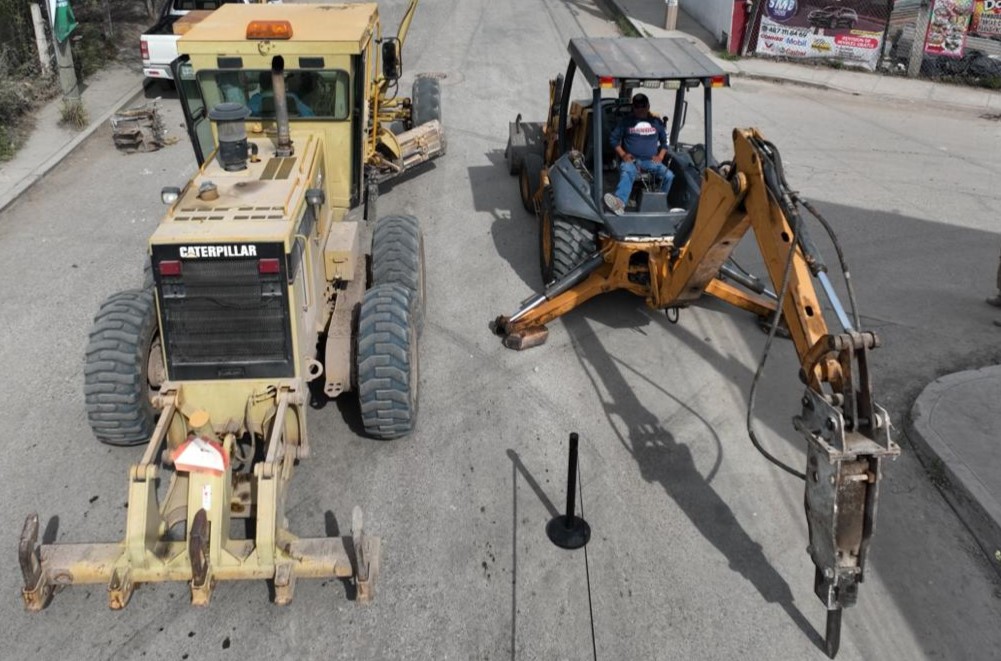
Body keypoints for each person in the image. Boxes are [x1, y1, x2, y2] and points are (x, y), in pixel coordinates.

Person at [603, 93, 674, 215]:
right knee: (627, 171)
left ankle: (659, 203)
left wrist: (661, 156)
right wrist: (623, 155)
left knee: (669, 176)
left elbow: (664, 142)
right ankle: (619, 202)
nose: (640, 109)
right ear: (633, 107)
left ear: (648, 106)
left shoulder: (656, 122)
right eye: (637, 106)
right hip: (632, 160)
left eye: (643, 106)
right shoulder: (626, 122)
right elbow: (613, 140)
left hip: (651, 161)